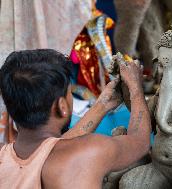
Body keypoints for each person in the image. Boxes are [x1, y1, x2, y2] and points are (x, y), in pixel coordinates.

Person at [0, 49, 151, 188]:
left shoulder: (3, 156)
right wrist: (135, 88)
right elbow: (139, 142)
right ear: (62, 106)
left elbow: (50, 150)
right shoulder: (89, 151)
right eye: (69, 93)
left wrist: (102, 106)